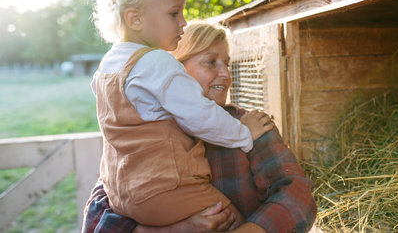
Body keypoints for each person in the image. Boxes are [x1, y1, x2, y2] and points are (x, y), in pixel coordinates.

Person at [82, 21, 317, 233]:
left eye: (227, 63)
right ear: (175, 71)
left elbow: (298, 196)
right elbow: (97, 213)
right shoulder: (146, 133)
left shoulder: (250, 126)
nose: (225, 73)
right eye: (210, 62)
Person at [91, 0, 274, 227]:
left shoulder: (107, 66)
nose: (184, 22)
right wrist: (245, 134)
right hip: (166, 190)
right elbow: (200, 116)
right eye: (174, 13)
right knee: (233, 220)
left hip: (120, 194)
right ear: (135, 18)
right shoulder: (155, 62)